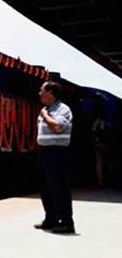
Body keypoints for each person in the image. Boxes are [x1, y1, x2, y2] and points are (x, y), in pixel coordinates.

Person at [35, 81, 75, 234]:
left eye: (42, 90)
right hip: (45, 151)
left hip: (57, 152)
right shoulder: (47, 109)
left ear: (50, 93)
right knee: (45, 187)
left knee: (59, 188)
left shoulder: (63, 109)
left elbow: (57, 127)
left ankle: (66, 222)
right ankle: (51, 218)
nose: (39, 93)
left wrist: (44, 115)